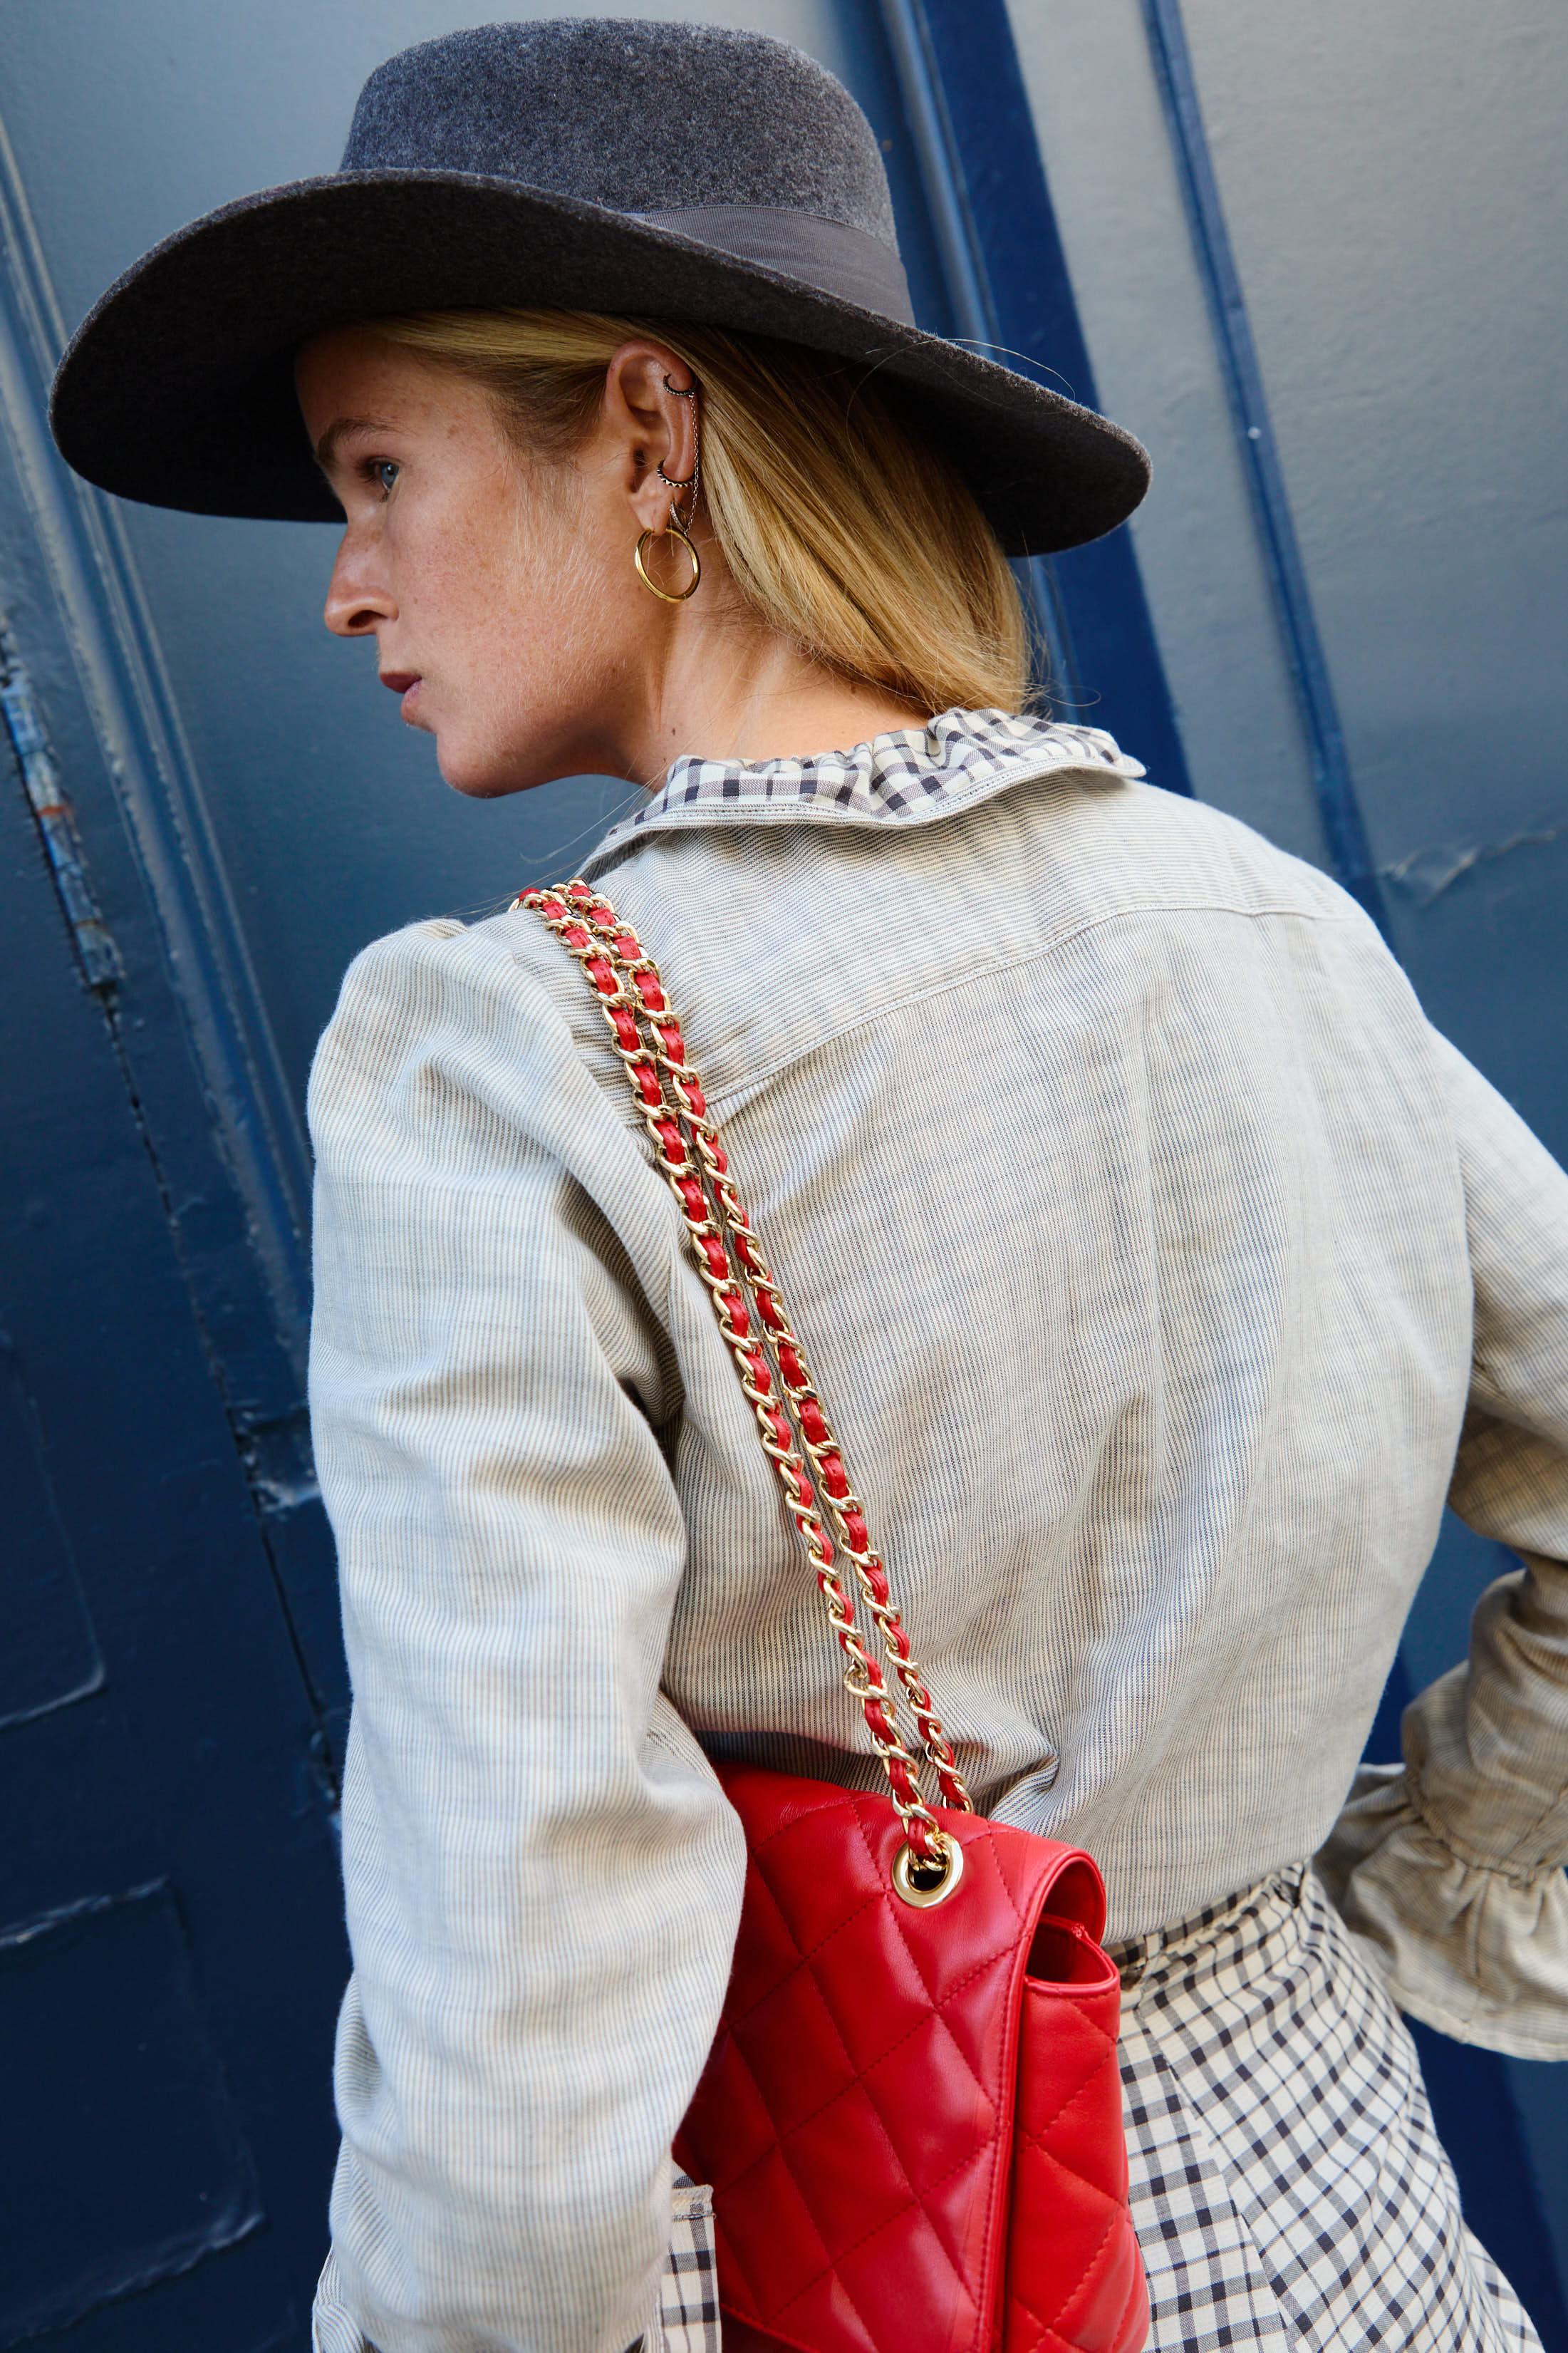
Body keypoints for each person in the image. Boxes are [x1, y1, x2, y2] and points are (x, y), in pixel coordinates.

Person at [51, 20, 1568, 2353]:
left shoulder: (517, 1051)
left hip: (848, 2250)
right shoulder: (1265, 918)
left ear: (647, 437)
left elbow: (525, 1958)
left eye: (376, 473)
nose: (347, 587)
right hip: (1332, 2207)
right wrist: (1423, 1885)